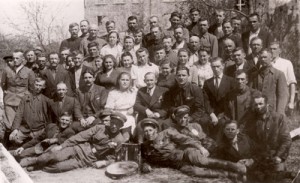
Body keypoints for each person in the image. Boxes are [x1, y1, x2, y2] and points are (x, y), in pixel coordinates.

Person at [19, 111, 127, 173]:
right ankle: (33, 160)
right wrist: (63, 146)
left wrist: (105, 162)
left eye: (117, 124)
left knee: (57, 168)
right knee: (54, 156)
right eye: (112, 122)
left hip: (85, 160)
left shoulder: (119, 140)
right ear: (110, 121)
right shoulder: (100, 127)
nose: (113, 126)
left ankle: (39, 167)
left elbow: (114, 158)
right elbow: (80, 136)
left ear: (121, 126)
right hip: (77, 149)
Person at [140, 118, 247, 181]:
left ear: (155, 129)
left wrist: (201, 148)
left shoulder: (167, 133)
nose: (148, 133)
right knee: (196, 172)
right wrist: (145, 166)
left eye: (150, 130)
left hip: (186, 152)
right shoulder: (145, 146)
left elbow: (186, 139)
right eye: (145, 131)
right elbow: (144, 159)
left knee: (201, 161)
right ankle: (231, 175)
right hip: (177, 164)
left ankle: (235, 166)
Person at [243, 92, 292, 182]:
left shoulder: (278, 118)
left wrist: (279, 156)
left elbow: (286, 140)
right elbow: (247, 141)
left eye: (261, 104)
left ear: (267, 104)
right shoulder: (251, 120)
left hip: (275, 156)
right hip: (258, 157)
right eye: (256, 104)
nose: (258, 107)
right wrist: (252, 158)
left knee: (278, 176)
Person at [1, 50, 35, 137]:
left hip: (22, 101)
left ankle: (17, 145)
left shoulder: (29, 71)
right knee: (9, 124)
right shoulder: (6, 71)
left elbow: (32, 88)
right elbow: (3, 85)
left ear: (23, 59)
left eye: (17, 58)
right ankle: (7, 145)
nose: (15, 60)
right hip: (9, 101)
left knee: (20, 124)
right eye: (13, 58)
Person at [9, 78, 50, 147]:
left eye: (40, 85)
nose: (38, 87)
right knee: (12, 138)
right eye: (36, 85)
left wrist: (45, 130)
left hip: (38, 130)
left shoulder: (46, 100)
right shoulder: (25, 98)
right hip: (25, 129)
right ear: (34, 85)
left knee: (39, 145)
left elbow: (48, 118)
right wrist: (15, 129)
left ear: (43, 87)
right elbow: (19, 114)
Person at [203, 57, 235, 139]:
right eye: (213, 67)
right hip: (212, 113)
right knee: (204, 122)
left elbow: (232, 102)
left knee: (222, 123)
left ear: (223, 66)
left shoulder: (231, 81)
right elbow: (206, 101)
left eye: (218, 66)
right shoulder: (207, 82)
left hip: (225, 113)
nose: (216, 69)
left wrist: (221, 115)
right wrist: (211, 114)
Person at [248, 49, 288, 114]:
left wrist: (279, 113)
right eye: (261, 57)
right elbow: (249, 92)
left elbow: (282, 96)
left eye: (265, 57)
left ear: (271, 58)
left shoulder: (279, 74)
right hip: (257, 110)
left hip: (271, 110)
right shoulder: (254, 75)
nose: (263, 59)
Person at [105, 72, 137, 141]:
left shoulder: (133, 92)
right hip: (115, 115)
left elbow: (138, 103)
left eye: (127, 80)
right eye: (123, 80)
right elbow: (108, 107)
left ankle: (125, 141)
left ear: (130, 81)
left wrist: (133, 108)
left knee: (126, 136)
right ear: (119, 81)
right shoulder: (113, 93)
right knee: (116, 137)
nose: (125, 82)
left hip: (128, 115)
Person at [270, 42, 297, 113]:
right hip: (270, 96)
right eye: (270, 49)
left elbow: (292, 83)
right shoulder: (266, 63)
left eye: (274, 49)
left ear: (280, 51)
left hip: (282, 95)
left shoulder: (286, 63)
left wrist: (291, 102)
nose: (272, 51)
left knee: (280, 117)